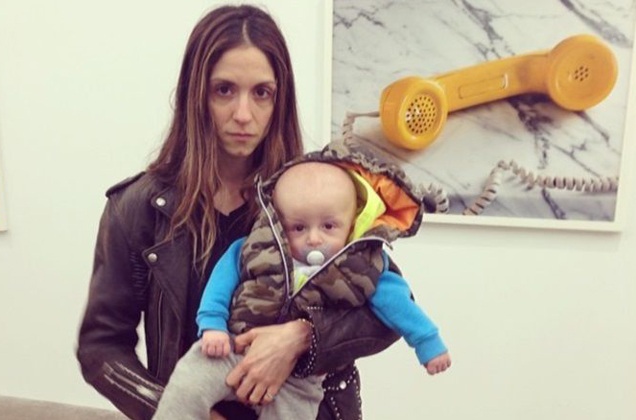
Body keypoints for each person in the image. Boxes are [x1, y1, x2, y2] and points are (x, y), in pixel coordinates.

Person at [76, 5, 401, 420]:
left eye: (261, 93)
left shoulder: (318, 191)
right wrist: (184, 410)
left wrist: (301, 338)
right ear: (196, 94)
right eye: (224, 90)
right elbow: (100, 348)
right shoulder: (136, 209)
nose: (243, 115)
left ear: (280, 100)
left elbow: (389, 310)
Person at [152, 141, 452, 419]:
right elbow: (221, 283)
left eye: (329, 226)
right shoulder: (253, 248)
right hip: (234, 348)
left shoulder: (364, 265)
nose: (314, 238)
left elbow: (400, 306)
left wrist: (428, 342)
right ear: (278, 221)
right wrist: (212, 326)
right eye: (298, 227)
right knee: (190, 379)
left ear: (352, 223)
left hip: (301, 379)